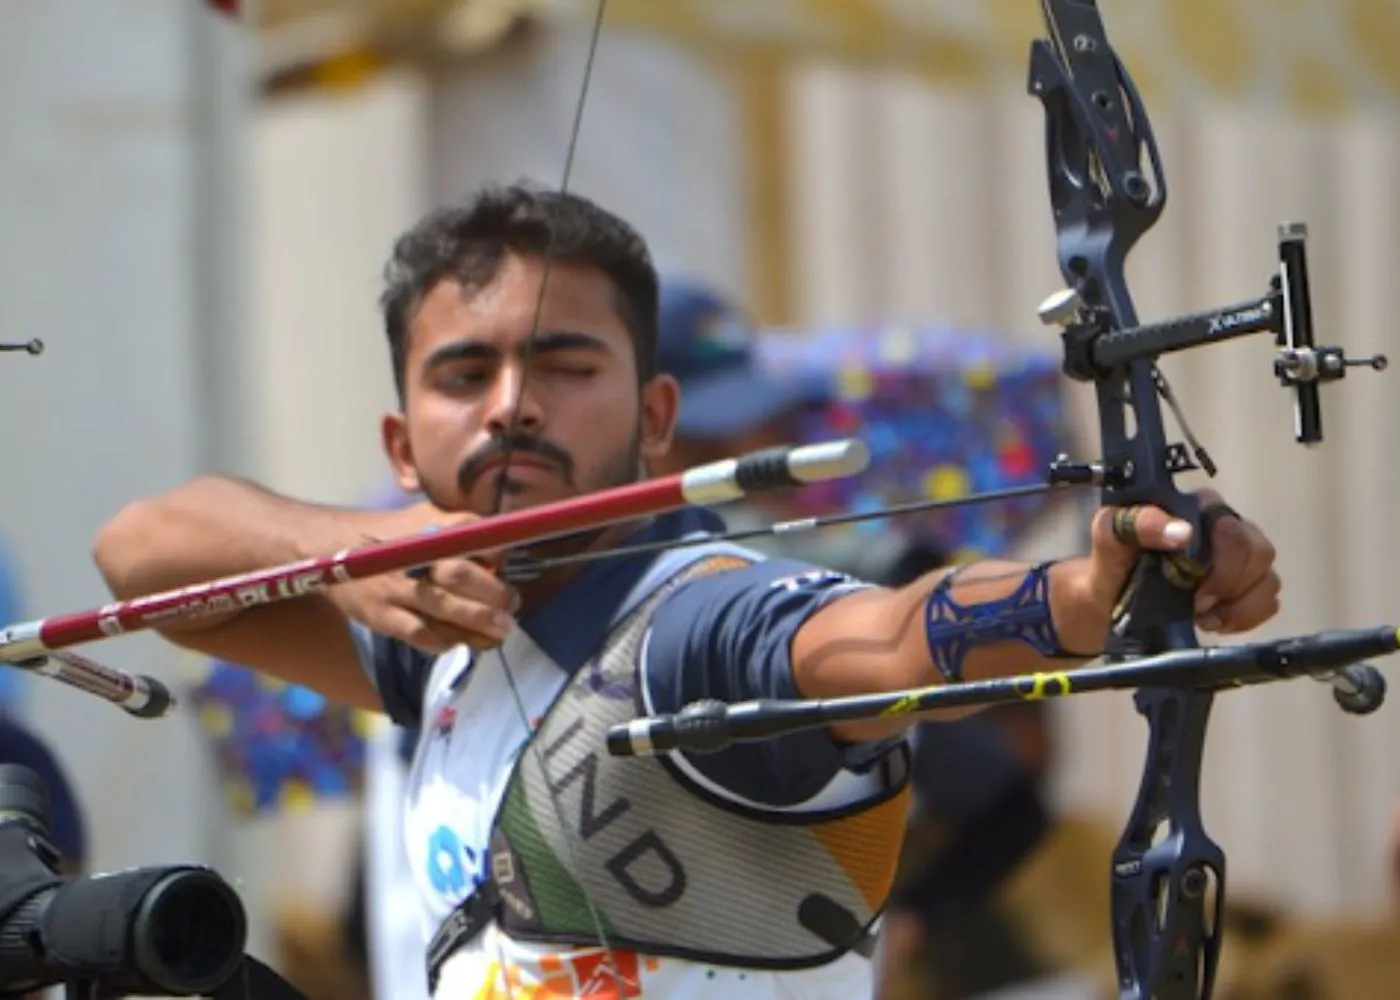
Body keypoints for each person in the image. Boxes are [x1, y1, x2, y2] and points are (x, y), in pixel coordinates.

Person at [89, 183, 1282, 1000]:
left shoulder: (701, 621)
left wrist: (1089, 590)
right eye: (467, 371)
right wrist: (351, 550)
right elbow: (138, 553)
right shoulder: (439, 635)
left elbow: (883, 638)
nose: (512, 402)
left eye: (565, 363)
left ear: (656, 419)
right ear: (404, 445)